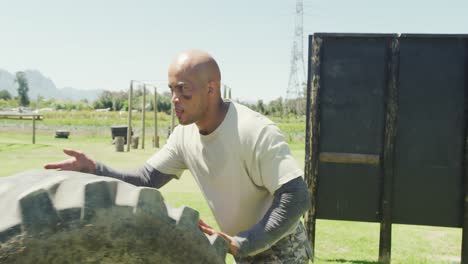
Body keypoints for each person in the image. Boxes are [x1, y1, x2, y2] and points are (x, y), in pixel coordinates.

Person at [44, 50, 313, 263]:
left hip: (282, 249)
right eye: (171, 90)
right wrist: (95, 169)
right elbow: (146, 179)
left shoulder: (253, 130)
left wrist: (247, 242)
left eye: (183, 90)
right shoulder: (184, 137)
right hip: (242, 245)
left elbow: (296, 195)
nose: (174, 99)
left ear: (211, 89)